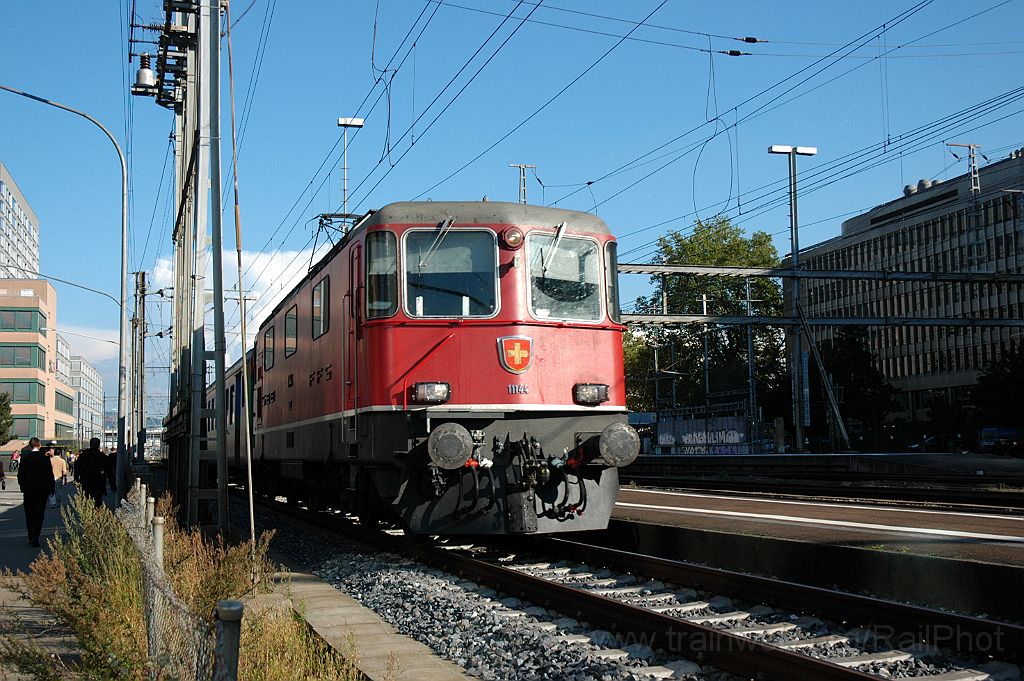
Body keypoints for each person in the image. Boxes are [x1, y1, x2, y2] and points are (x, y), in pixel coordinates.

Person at [17, 437, 54, 547]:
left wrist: (22, 487)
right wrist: (51, 488)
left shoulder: (25, 459)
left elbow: (20, 476)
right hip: (42, 491)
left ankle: (30, 535)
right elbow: (49, 475)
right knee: (39, 514)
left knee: (29, 514)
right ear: (39, 445)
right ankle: (36, 536)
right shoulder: (44, 459)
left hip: (28, 491)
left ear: (29, 446)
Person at [74, 438, 108, 508]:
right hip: (98, 483)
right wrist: (113, 486)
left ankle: (89, 516)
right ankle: (96, 516)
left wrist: (76, 480)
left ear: (90, 444)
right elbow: (108, 471)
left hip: (86, 482)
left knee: (86, 502)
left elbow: (76, 467)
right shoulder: (102, 456)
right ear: (98, 445)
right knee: (98, 503)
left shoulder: (83, 455)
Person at [47, 442, 69, 509]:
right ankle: (59, 503)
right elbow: (64, 471)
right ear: (59, 453)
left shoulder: (50, 460)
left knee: (52, 491)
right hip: (59, 478)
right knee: (58, 491)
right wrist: (65, 479)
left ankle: (52, 504)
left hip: (51, 478)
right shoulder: (62, 461)